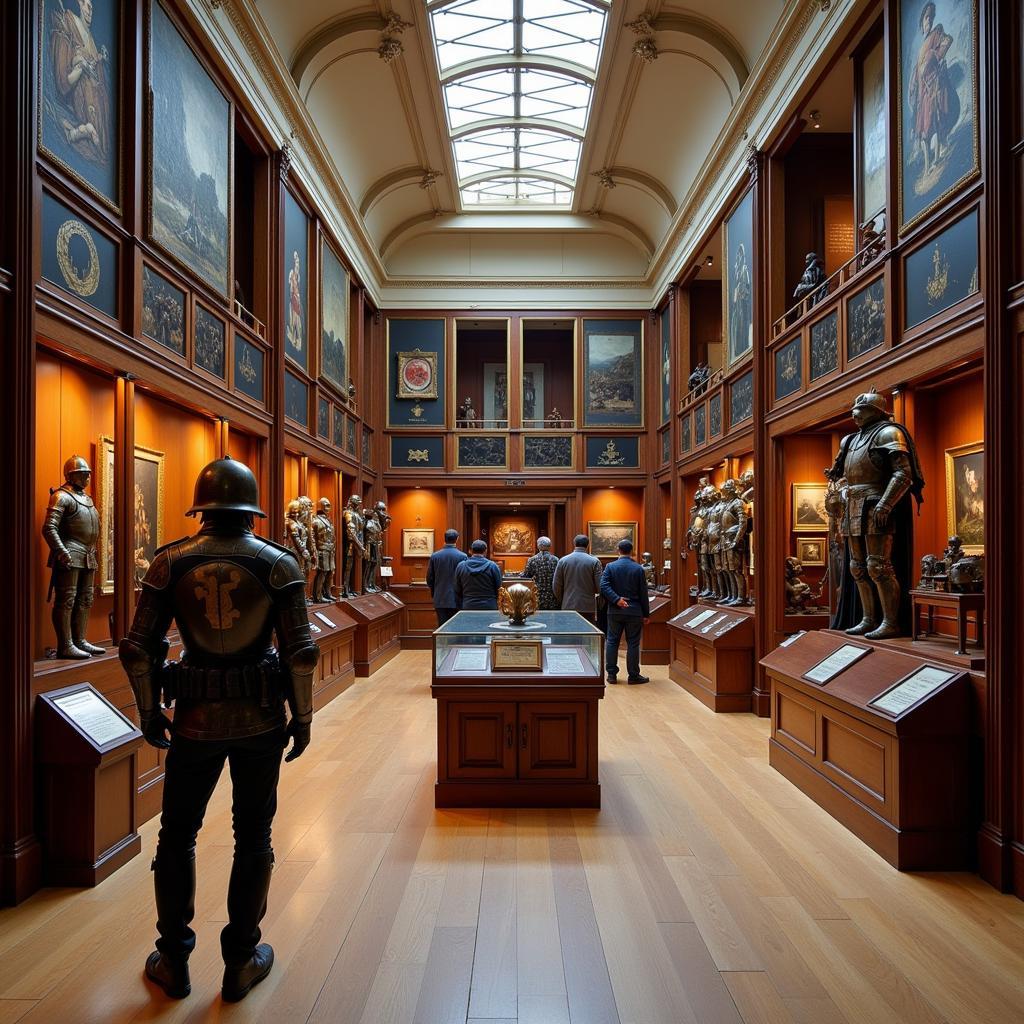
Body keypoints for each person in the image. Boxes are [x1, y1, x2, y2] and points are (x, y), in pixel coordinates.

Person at [118, 457, 319, 1003]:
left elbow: (137, 648)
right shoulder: (278, 563)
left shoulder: (169, 563)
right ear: (251, 508)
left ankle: (174, 959)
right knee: (253, 836)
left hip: (194, 722)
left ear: (201, 507)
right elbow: (300, 655)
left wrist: (147, 712)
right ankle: (240, 961)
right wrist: (302, 719)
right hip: (259, 721)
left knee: (176, 835)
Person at [600, 538, 650, 684]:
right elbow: (643, 593)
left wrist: (616, 600)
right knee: (633, 643)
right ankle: (633, 675)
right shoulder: (638, 568)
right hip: (634, 610)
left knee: (612, 641)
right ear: (632, 551)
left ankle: (611, 675)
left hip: (615, 610)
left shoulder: (610, 567)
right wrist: (646, 614)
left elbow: (603, 586)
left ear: (618, 550)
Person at [552, 534, 603, 623]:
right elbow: (600, 587)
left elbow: (556, 585)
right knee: (587, 634)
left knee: (569, 634)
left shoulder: (563, 560)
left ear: (574, 543)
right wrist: (600, 604)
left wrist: (562, 600)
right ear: (588, 545)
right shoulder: (594, 561)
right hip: (587, 606)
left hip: (568, 605)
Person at [426, 529, 467, 625]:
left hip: (440, 597)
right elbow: (465, 578)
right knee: (457, 627)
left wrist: (435, 590)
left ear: (444, 539)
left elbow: (429, 578)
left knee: (442, 627)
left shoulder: (435, 556)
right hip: (457, 598)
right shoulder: (463, 556)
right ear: (457, 539)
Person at [454, 539, 502, 611]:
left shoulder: (461, 566)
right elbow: (499, 588)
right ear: (485, 551)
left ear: (471, 551)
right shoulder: (493, 566)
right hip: (489, 605)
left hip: (468, 605)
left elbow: (457, 589)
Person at [521, 536, 559, 610]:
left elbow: (526, 576)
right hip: (552, 594)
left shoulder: (532, 560)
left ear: (538, 546)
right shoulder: (556, 560)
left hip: (538, 593)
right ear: (550, 546)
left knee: (538, 616)